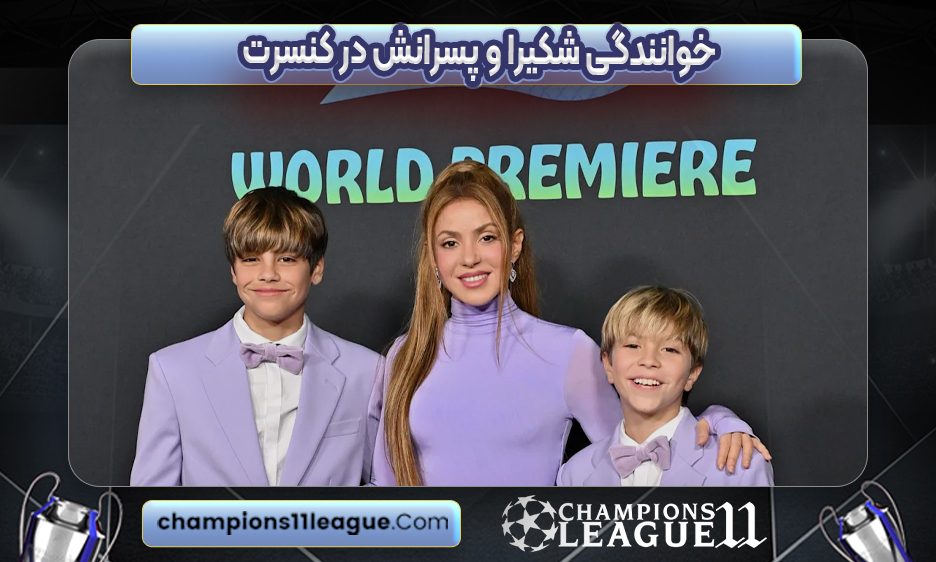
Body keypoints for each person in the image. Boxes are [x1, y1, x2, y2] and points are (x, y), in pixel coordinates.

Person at [367, 160, 769, 486]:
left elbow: (641, 442)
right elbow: (385, 490)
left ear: (515, 245)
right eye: (450, 242)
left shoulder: (566, 352)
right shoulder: (406, 355)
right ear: (433, 257)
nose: (469, 257)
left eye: (486, 237)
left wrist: (721, 421)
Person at [130, 186, 379, 486]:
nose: (268, 274)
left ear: (316, 268)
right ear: (233, 271)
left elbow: (386, 493)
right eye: (251, 259)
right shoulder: (173, 371)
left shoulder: (367, 371)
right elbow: (149, 502)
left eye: (287, 259)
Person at [557, 286, 774, 486]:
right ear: (608, 365)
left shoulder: (740, 467)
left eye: (670, 349)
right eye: (633, 345)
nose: (649, 360)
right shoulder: (574, 474)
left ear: (692, 373)